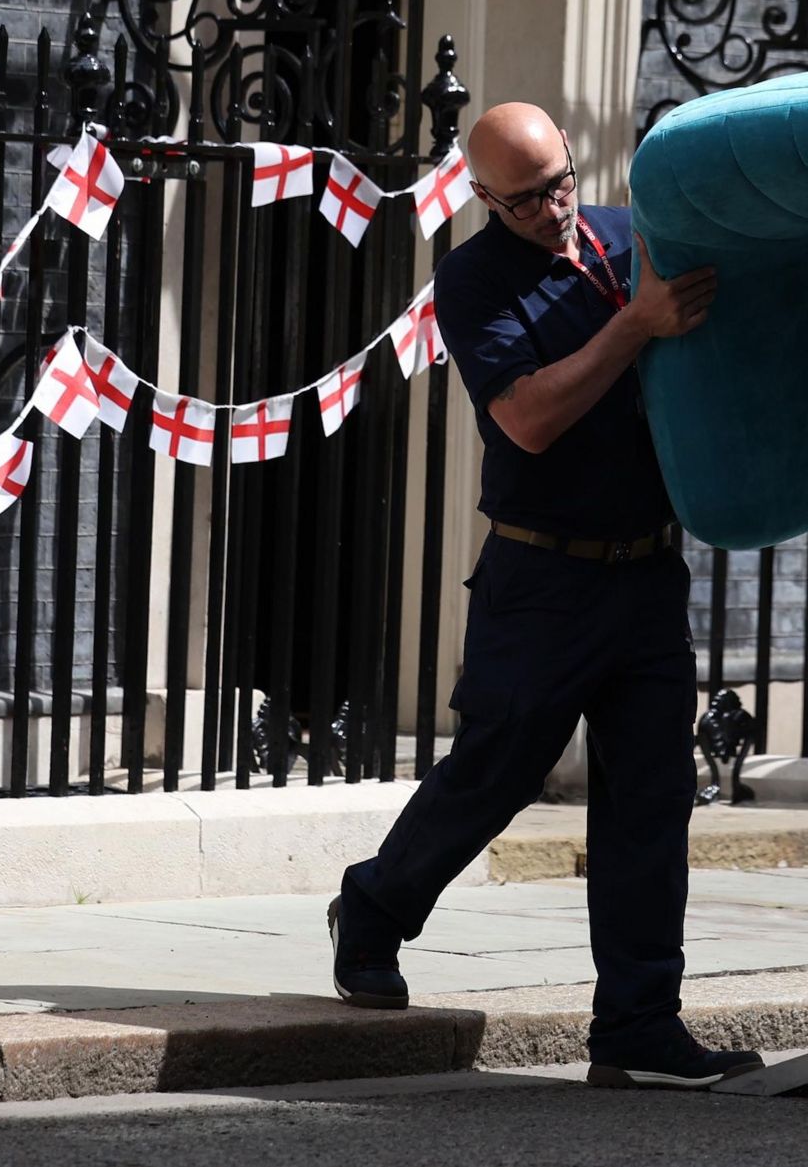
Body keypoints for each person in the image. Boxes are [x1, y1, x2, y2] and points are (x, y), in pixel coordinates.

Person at [326, 102, 761, 1090]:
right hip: (542, 574)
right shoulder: (473, 279)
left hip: (648, 567)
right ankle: (376, 906)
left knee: (653, 798)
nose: (552, 208)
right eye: (522, 199)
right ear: (482, 197)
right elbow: (525, 418)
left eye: (559, 182)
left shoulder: (630, 237)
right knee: (496, 770)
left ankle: (639, 1022)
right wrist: (634, 322)